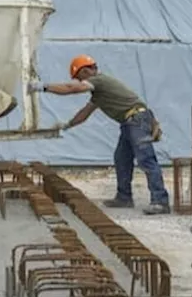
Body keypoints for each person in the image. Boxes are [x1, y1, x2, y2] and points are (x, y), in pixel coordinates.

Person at [35, 55, 171, 215]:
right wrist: (66, 125)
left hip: (136, 120)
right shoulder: (100, 93)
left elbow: (71, 89)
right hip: (131, 122)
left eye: (79, 78)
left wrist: (43, 87)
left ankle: (160, 201)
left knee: (146, 160)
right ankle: (124, 197)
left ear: (86, 71)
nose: (80, 82)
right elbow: (84, 114)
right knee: (121, 159)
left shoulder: (99, 80)